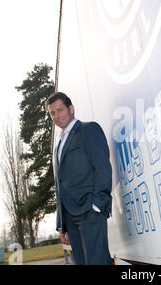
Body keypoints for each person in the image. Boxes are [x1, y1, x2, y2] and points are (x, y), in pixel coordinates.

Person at [46, 92, 113, 265]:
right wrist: (61, 222)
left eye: (60, 110)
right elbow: (59, 185)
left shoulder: (88, 130)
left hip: (90, 212)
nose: (56, 116)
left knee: (97, 262)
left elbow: (102, 168)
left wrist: (97, 205)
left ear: (71, 108)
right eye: (52, 113)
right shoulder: (59, 145)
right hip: (70, 217)